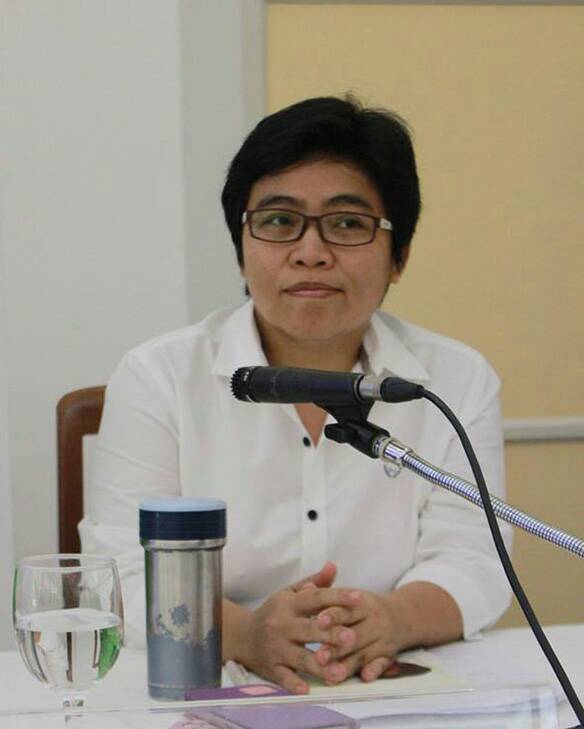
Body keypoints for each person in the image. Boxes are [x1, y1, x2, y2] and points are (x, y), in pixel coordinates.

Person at [80, 95, 512, 695]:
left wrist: (393, 620)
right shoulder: (159, 376)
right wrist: (247, 634)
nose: (311, 252)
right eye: (280, 222)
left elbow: (476, 561)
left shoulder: (453, 381)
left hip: (393, 685)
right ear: (241, 248)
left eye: (347, 224)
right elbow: (121, 573)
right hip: (203, 679)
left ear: (400, 256)